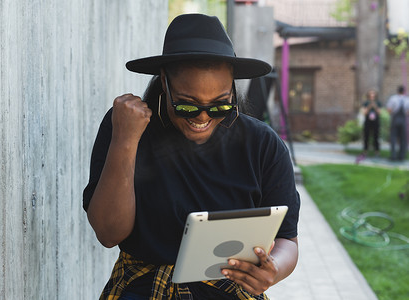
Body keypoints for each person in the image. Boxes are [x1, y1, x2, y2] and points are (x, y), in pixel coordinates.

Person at [83, 14, 300, 300]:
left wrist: (273, 271)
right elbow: (108, 233)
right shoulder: (127, 126)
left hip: (229, 291)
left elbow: (287, 240)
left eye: (220, 105)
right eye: (187, 105)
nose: (203, 117)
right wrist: (125, 141)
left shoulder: (262, 145)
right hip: (143, 290)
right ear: (164, 82)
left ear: (233, 90)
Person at [387, 85, 409, 161]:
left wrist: (392, 113)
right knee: (403, 138)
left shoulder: (393, 98)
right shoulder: (407, 99)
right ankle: (401, 156)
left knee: (393, 137)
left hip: (395, 119)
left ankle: (393, 156)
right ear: (404, 91)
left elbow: (389, 110)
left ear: (397, 90)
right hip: (403, 120)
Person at [360, 89, 382, 157]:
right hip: (368, 121)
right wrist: (369, 106)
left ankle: (377, 151)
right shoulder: (366, 103)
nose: (372, 95)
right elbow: (364, 112)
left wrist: (375, 106)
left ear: (375, 95)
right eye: (371, 94)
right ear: (368, 95)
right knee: (366, 136)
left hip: (375, 121)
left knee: (376, 136)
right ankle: (365, 151)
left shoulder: (378, 103)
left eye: (373, 94)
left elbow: (379, 112)